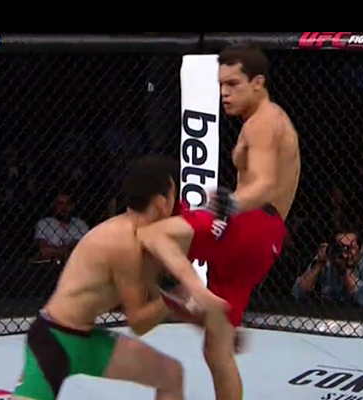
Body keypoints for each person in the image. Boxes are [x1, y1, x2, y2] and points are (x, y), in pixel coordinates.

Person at [137, 43, 300, 400]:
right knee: (217, 349)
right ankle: (194, 302)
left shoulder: (263, 123)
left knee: (150, 233)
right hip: (264, 241)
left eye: (233, 84)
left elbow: (264, 184)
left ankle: (192, 293)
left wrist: (232, 204)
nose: (224, 93)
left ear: (258, 82)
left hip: (251, 225)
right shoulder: (268, 121)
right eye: (221, 85)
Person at [11, 155, 226, 400]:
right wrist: (175, 295)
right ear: (161, 202)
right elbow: (139, 322)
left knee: (170, 373)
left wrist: (209, 325)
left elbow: (162, 297)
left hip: (87, 338)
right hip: (54, 340)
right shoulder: (123, 241)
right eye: (174, 193)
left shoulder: (146, 237)